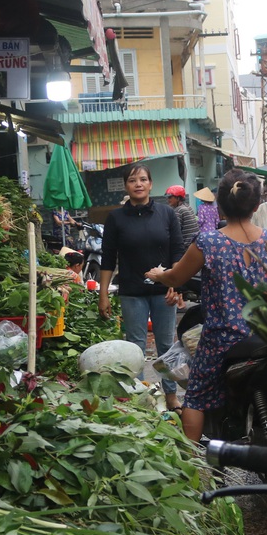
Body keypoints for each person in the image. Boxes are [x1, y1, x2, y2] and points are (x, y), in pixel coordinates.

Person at [145, 170, 267, 442]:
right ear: (257, 205)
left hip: (223, 338)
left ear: (221, 206)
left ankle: (192, 463)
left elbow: (177, 277)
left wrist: (157, 275)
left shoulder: (209, 242)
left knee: (196, 396)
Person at [98, 163, 183, 411]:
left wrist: (174, 281)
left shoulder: (167, 214)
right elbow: (107, 258)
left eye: (143, 179)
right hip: (132, 292)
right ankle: (139, 398)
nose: (138, 184)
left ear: (151, 184)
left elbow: (178, 250)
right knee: (135, 346)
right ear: (126, 186)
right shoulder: (115, 218)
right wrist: (103, 294)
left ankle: (171, 396)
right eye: (133, 180)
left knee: (166, 345)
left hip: (163, 292)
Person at [165, 185, 200, 252]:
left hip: (186, 247)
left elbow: (175, 231)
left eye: (170, 197)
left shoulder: (179, 210)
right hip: (194, 244)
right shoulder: (187, 207)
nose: (168, 200)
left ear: (178, 198)